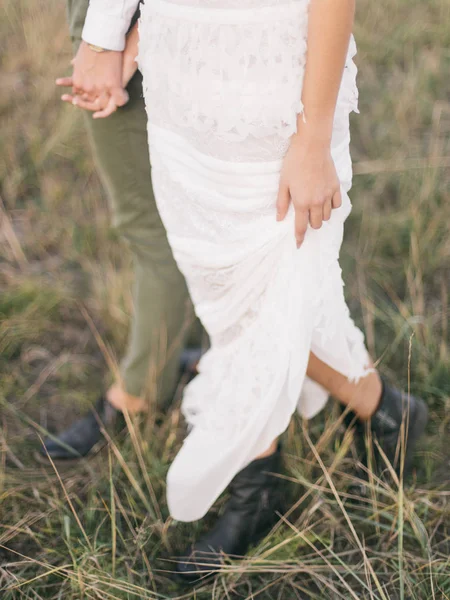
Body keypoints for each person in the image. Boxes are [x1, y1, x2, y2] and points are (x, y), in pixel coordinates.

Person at [62, 0, 428, 581]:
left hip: (267, 84)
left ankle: (261, 489)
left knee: (269, 285)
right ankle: (382, 410)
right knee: (224, 290)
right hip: (179, 83)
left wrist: (311, 141)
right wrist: (116, 42)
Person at [41, 0, 200, 460]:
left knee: (149, 226)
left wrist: (103, 42)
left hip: (123, 19)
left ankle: (143, 391)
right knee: (204, 205)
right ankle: (208, 352)